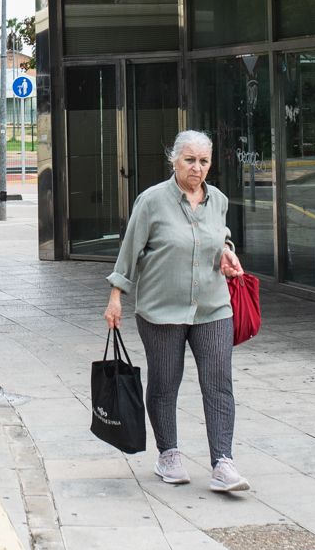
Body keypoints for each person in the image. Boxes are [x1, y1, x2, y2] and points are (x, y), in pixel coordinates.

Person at [104, 129, 250, 493]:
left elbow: (219, 234)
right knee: (165, 383)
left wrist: (227, 249)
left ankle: (223, 463)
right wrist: (116, 296)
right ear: (174, 160)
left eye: (203, 161)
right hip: (161, 310)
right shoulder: (152, 201)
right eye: (190, 160)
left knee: (218, 383)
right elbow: (130, 250)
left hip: (213, 307)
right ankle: (168, 453)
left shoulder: (217, 199)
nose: (197, 169)